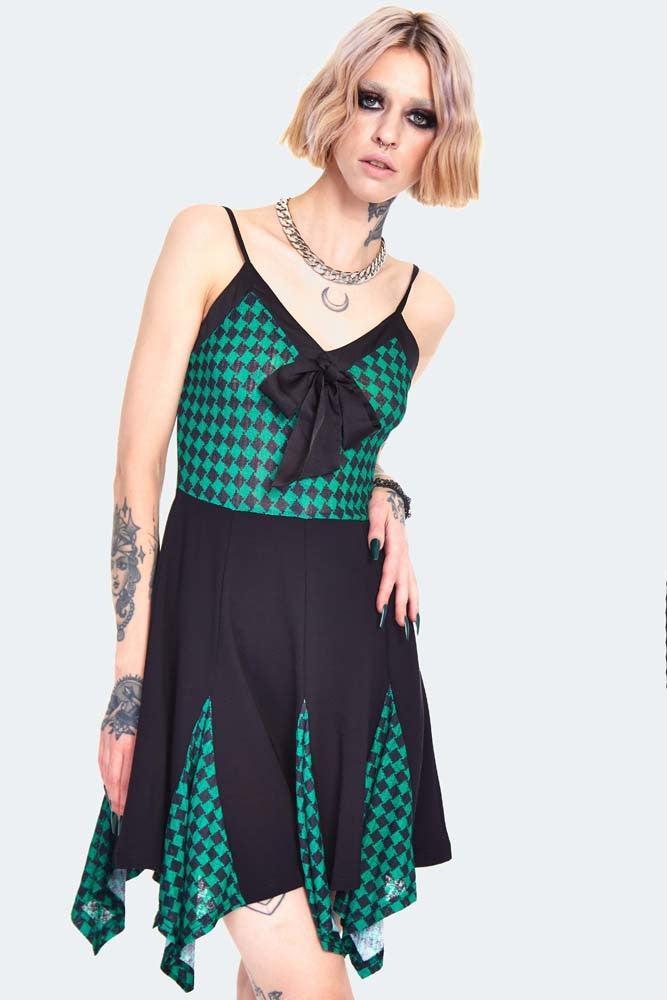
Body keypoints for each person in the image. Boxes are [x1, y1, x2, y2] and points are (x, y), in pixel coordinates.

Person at [70, 6, 481, 997]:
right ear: (335, 102)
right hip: (213, 643)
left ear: (439, 142)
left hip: (350, 656)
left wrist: (388, 494)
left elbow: (347, 450)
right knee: (315, 982)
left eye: (418, 116)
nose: (386, 132)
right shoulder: (209, 238)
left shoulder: (427, 306)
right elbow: (136, 463)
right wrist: (129, 680)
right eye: (372, 99)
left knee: (276, 977)